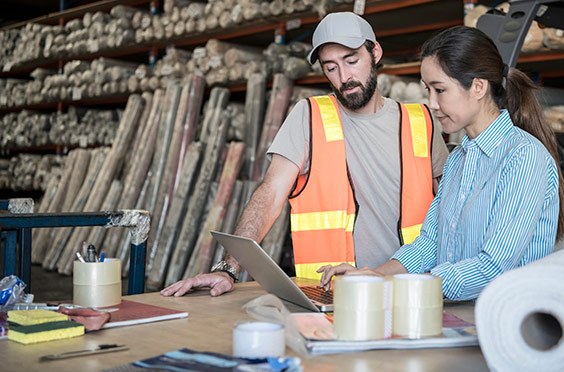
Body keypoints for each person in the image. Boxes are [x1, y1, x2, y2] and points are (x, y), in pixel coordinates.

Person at [161, 12, 449, 297]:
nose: (344, 77)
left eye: (352, 61)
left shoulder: (420, 120)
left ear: (375, 52)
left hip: (412, 290)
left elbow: (452, 207)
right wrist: (228, 268)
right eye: (331, 67)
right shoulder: (309, 116)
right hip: (331, 295)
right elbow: (270, 195)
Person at [318, 25, 564, 301]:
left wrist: (400, 288)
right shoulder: (458, 160)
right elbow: (429, 245)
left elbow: (494, 267)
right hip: (458, 314)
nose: (431, 103)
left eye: (439, 90)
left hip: (508, 322)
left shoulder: (523, 158)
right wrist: (374, 276)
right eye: (427, 89)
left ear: (478, 87)